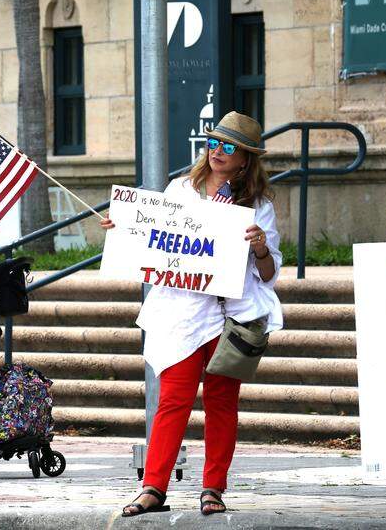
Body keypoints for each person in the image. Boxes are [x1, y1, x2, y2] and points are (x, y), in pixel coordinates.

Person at [101, 112, 281, 517]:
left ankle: (213, 488)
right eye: (214, 143)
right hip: (182, 313)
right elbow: (152, 236)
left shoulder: (258, 206)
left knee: (221, 404)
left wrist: (260, 246)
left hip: (230, 316)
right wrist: (123, 228)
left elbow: (269, 275)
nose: (218, 151)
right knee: (173, 400)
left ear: (246, 159)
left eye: (229, 147)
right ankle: (153, 487)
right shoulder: (181, 189)